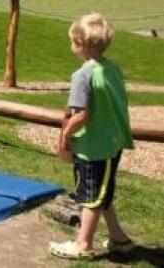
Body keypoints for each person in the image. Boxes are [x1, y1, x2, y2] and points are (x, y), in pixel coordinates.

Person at [49, 14, 135, 260]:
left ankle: (83, 244)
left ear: (79, 42)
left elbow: (81, 115)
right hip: (111, 142)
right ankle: (119, 239)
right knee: (100, 192)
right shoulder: (111, 68)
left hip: (94, 147)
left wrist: (66, 134)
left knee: (91, 197)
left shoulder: (82, 76)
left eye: (71, 40)